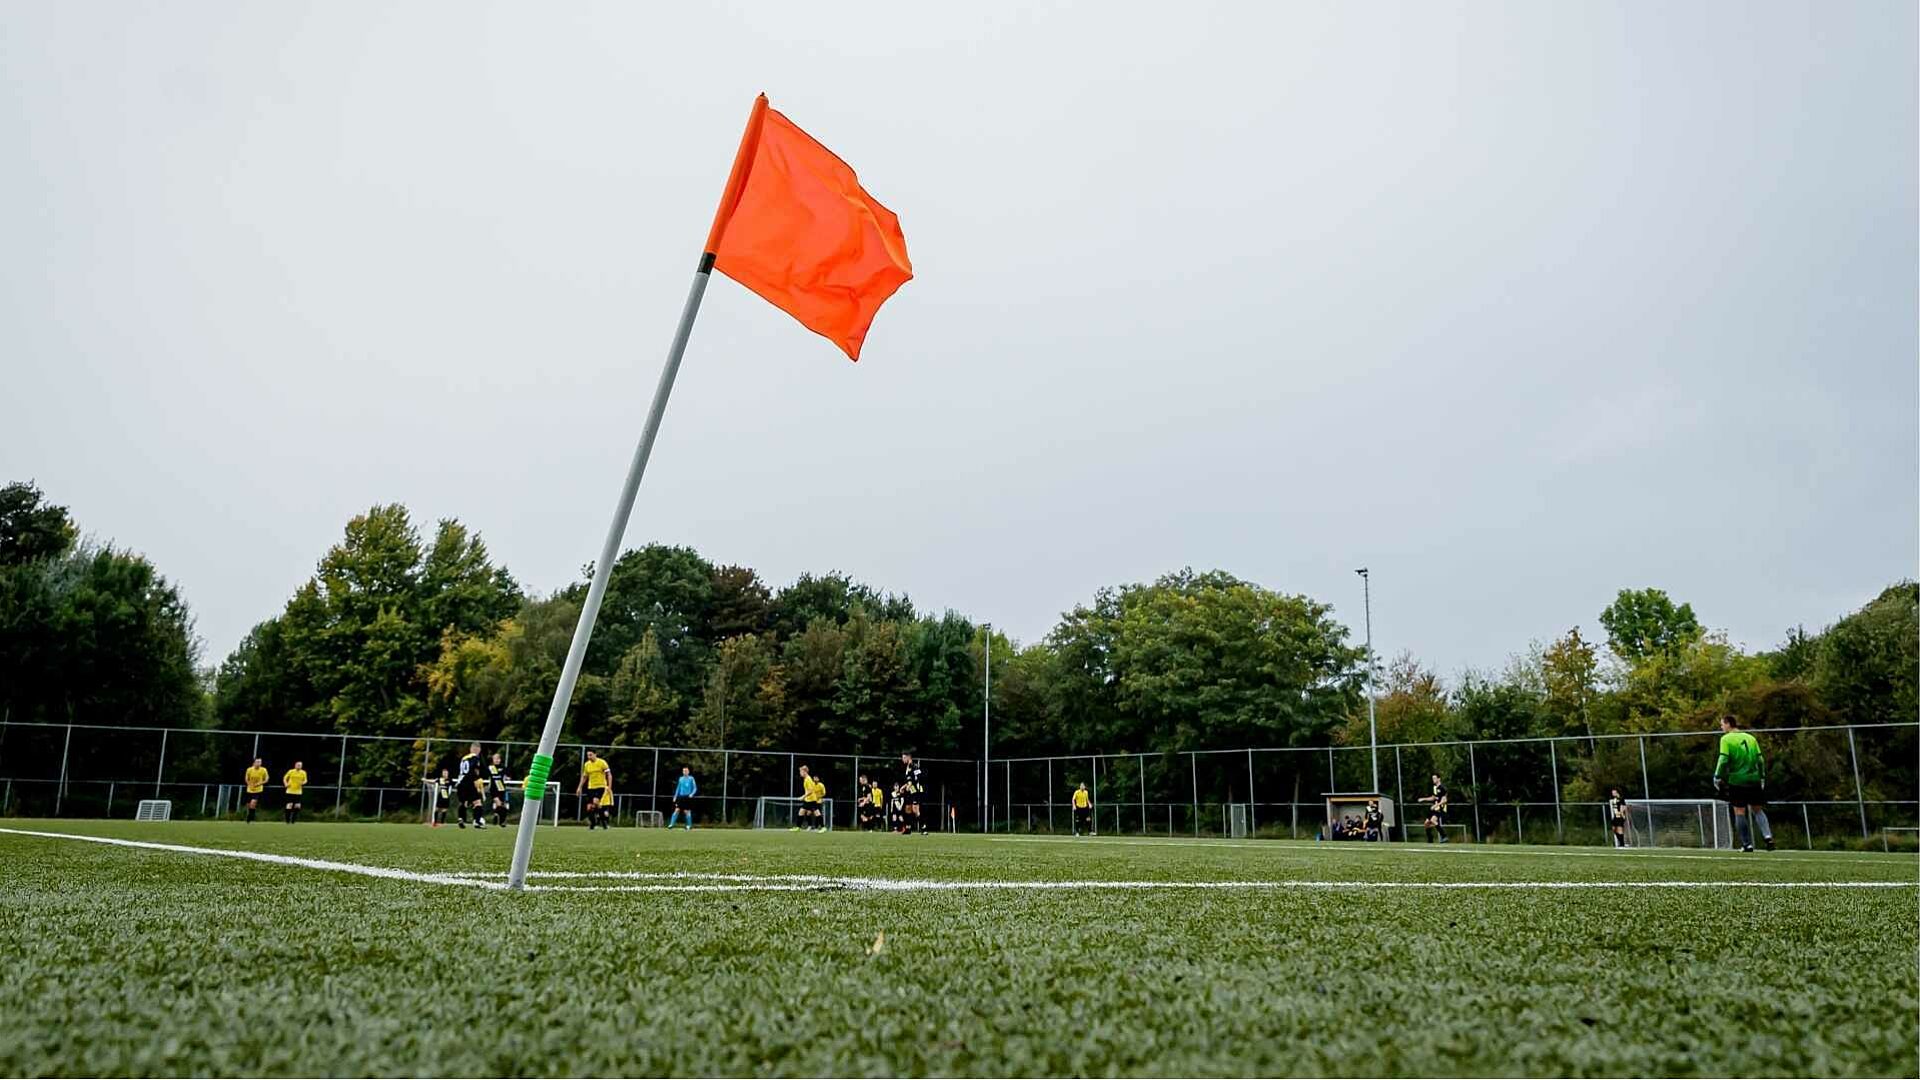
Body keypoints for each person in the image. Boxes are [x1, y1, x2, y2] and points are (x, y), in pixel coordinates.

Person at [1714, 715, 1774, 852]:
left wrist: (1717, 776)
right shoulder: (1750, 738)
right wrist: (1762, 777)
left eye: (1722, 724)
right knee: (1757, 809)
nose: (1721, 727)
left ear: (1728, 724)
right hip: (1754, 779)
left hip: (1737, 780)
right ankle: (1768, 837)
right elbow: (1760, 760)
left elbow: (1723, 759)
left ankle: (1747, 844)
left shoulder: (1726, 739)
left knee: (1739, 811)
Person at [577, 750, 612, 830]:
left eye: (591, 755)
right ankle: (595, 824)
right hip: (591, 787)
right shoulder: (587, 764)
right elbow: (584, 777)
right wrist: (579, 787)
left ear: (595, 754)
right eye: (588, 755)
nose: (589, 757)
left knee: (595, 802)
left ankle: (603, 823)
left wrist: (609, 787)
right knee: (589, 807)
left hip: (600, 786)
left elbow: (609, 775)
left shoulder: (602, 763)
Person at [457, 742, 488, 829]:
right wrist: (476, 779)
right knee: (477, 802)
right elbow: (473, 770)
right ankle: (477, 821)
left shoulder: (464, 758)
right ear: (478, 749)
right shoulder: (475, 758)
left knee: (463, 802)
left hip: (460, 782)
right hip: (469, 782)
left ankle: (460, 818)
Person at [1418, 774, 1450, 843]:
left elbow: (1444, 800)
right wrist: (1423, 799)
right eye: (1433, 778)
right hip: (1435, 808)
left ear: (1439, 779)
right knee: (1426, 824)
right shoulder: (1435, 787)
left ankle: (1444, 836)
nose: (1433, 780)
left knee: (1433, 820)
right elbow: (1433, 798)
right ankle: (1430, 840)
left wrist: (1436, 805)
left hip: (1440, 808)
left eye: (1435, 778)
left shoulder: (1443, 788)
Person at [900, 752, 926, 835]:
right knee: (907, 809)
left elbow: (916, 779)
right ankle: (908, 828)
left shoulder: (913, 766)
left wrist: (908, 786)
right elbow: (909, 780)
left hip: (916, 791)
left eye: (904, 758)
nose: (903, 759)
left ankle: (923, 828)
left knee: (915, 810)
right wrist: (904, 787)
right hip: (910, 791)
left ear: (909, 757)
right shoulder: (908, 767)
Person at [796, 765, 827, 831]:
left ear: (805, 772)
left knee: (816, 813)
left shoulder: (808, 779)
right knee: (801, 811)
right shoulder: (806, 779)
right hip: (808, 800)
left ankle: (823, 827)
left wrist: (803, 796)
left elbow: (810, 791)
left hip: (811, 800)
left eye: (801, 772)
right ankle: (798, 827)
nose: (800, 773)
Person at [486, 753, 511, 827]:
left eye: (498, 759)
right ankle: (500, 819)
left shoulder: (503, 768)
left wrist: (508, 778)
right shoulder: (490, 768)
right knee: (498, 803)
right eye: (495, 759)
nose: (496, 760)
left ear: (500, 760)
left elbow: (508, 775)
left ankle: (498, 817)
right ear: (493, 760)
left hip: (501, 789)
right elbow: (485, 775)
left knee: (501, 806)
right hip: (494, 789)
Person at [242, 758, 269, 823]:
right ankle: (251, 814)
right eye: (257, 762)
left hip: (258, 790)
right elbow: (246, 779)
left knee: (253, 802)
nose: (259, 763)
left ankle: (250, 817)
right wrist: (249, 784)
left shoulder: (263, 770)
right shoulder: (249, 769)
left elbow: (266, 779)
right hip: (249, 789)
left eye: (260, 762)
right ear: (254, 763)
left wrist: (260, 783)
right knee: (249, 805)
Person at [282, 760, 308, 825]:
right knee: (289, 805)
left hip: (298, 791)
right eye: (298, 765)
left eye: (300, 765)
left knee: (297, 806)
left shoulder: (303, 772)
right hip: (290, 791)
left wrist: (303, 783)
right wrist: (286, 784)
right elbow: (285, 778)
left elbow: (305, 780)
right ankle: (287, 820)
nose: (299, 766)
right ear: (295, 765)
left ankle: (293, 820)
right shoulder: (291, 771)